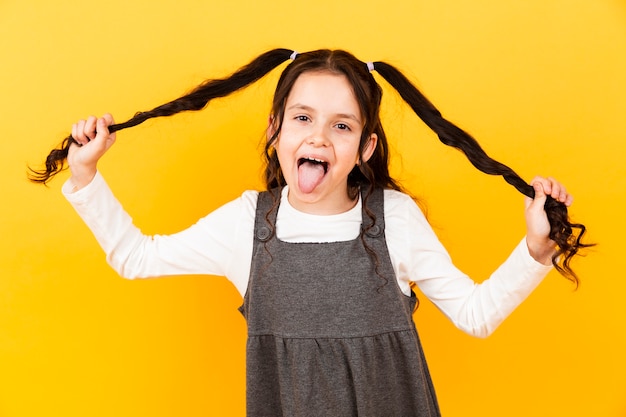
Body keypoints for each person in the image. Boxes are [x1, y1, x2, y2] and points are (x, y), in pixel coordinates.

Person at [33, 49, 587, 416]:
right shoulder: (246, 226)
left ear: (365, 148)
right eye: (302, 118)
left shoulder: (391, 219)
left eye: (341, 126)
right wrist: (85, 176)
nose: (319, 137)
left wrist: (536, 248)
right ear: (275, 131)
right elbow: (135, 256)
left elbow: (476, 314)